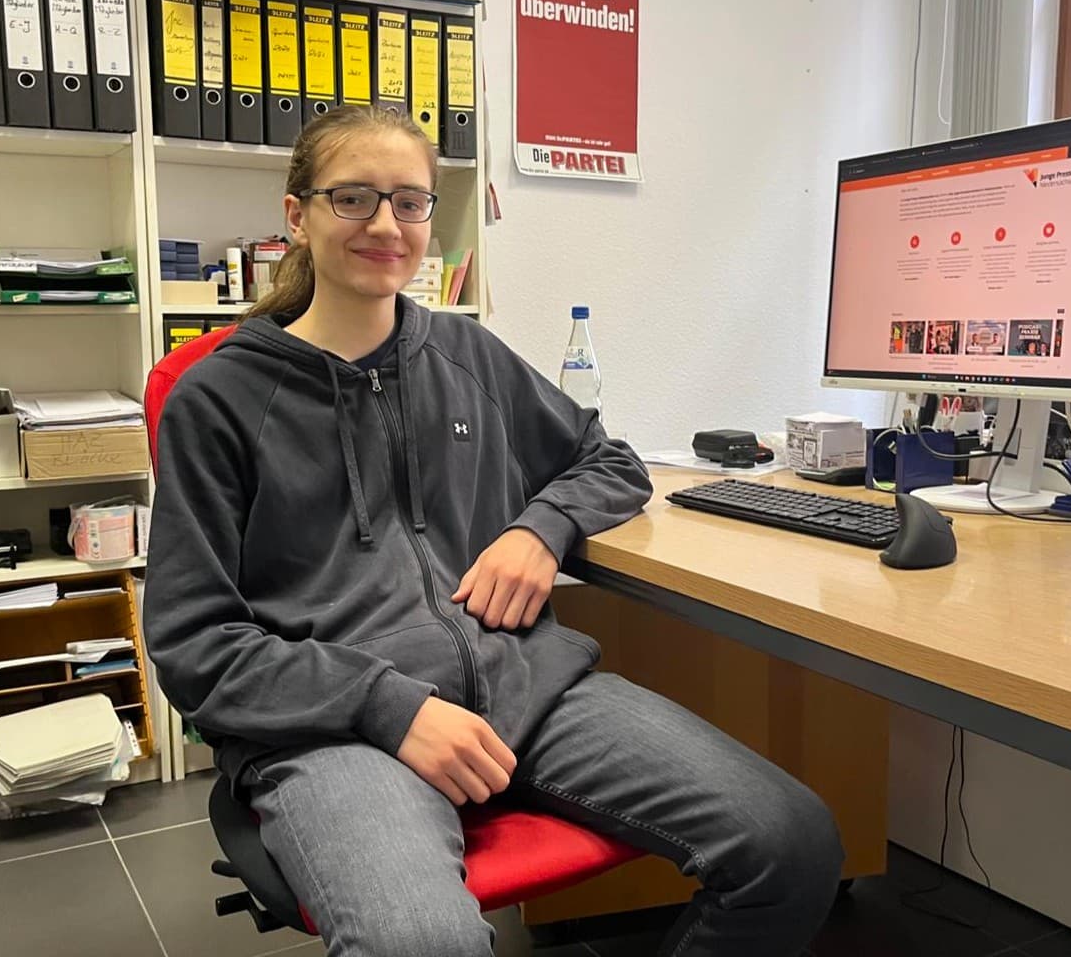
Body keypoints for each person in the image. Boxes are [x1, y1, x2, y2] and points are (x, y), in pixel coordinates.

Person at [143, 106, 843, 957]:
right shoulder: (217, 400)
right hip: (334, 727)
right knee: (423, 945)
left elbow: (608, 461)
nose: (385, 225)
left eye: (409, 202)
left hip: (526, 691)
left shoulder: (467, 357)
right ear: (297, 216)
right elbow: (193, 640)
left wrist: (539, 530)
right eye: (353, 198)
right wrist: (388, 706)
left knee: (792, 842)